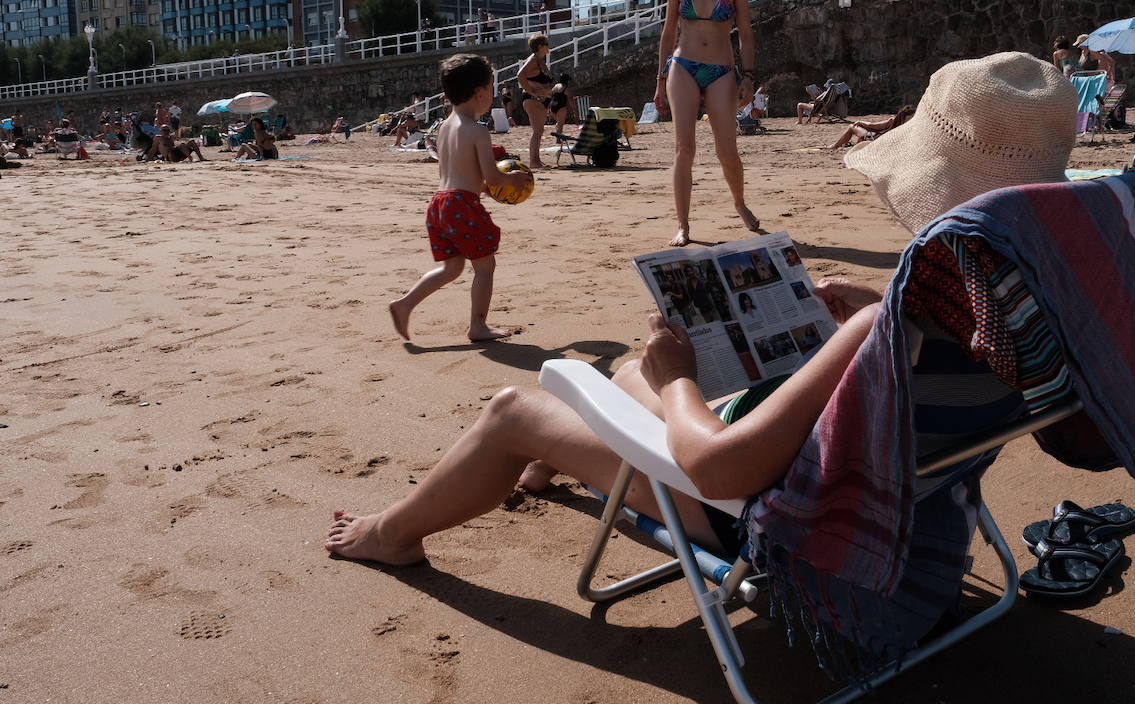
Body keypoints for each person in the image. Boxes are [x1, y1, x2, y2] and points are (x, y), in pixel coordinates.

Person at [325, 52, 1080, 607]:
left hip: (786, 523)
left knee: (517, 406)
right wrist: (874, 303)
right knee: (620, 377)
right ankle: (553, 458)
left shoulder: (897, 324)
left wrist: (679, 377)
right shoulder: (1031, 307)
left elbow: (723, 472)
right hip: (913, 507)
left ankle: (394, 533)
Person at [387, 54, 532, 344]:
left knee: (451, 268)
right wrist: (513, 180)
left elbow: (453, 173)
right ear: (480, 93)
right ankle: (478, 326)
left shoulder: (443, 128)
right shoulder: (477, 130)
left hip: (439, 203)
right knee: (485, 266)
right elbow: (491, 178)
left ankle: (404, 304)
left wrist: (485, 188)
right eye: (491, 89)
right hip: (461, 205)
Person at [653, 0, 760, 247]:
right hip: (682, 66)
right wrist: (659, 79)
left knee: (727, 151)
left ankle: (739, 202)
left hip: (721, 71)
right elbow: (668, 32)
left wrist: (750, 77)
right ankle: (683, 225)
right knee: (684, 148)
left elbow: (744, 34)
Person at [517, 33, 555, 169]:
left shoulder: (540, 60)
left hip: (539, 100)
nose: (548, 47)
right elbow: (520, 75)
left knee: (539, 130)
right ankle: (533, 162)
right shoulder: (533, 59)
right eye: (547, 44)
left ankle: (537, 160)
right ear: (540, 46)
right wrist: (531, 91)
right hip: (533, 99)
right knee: (537, 130)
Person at [826, 105, 915, 150]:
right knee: (860, 127)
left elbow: (872, 126)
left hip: (873, 141)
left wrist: (860, 122)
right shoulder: (910, 127)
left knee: (851, 127)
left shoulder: (893, 121)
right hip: (884, 145)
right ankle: (841, 144)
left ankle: (835, 146)